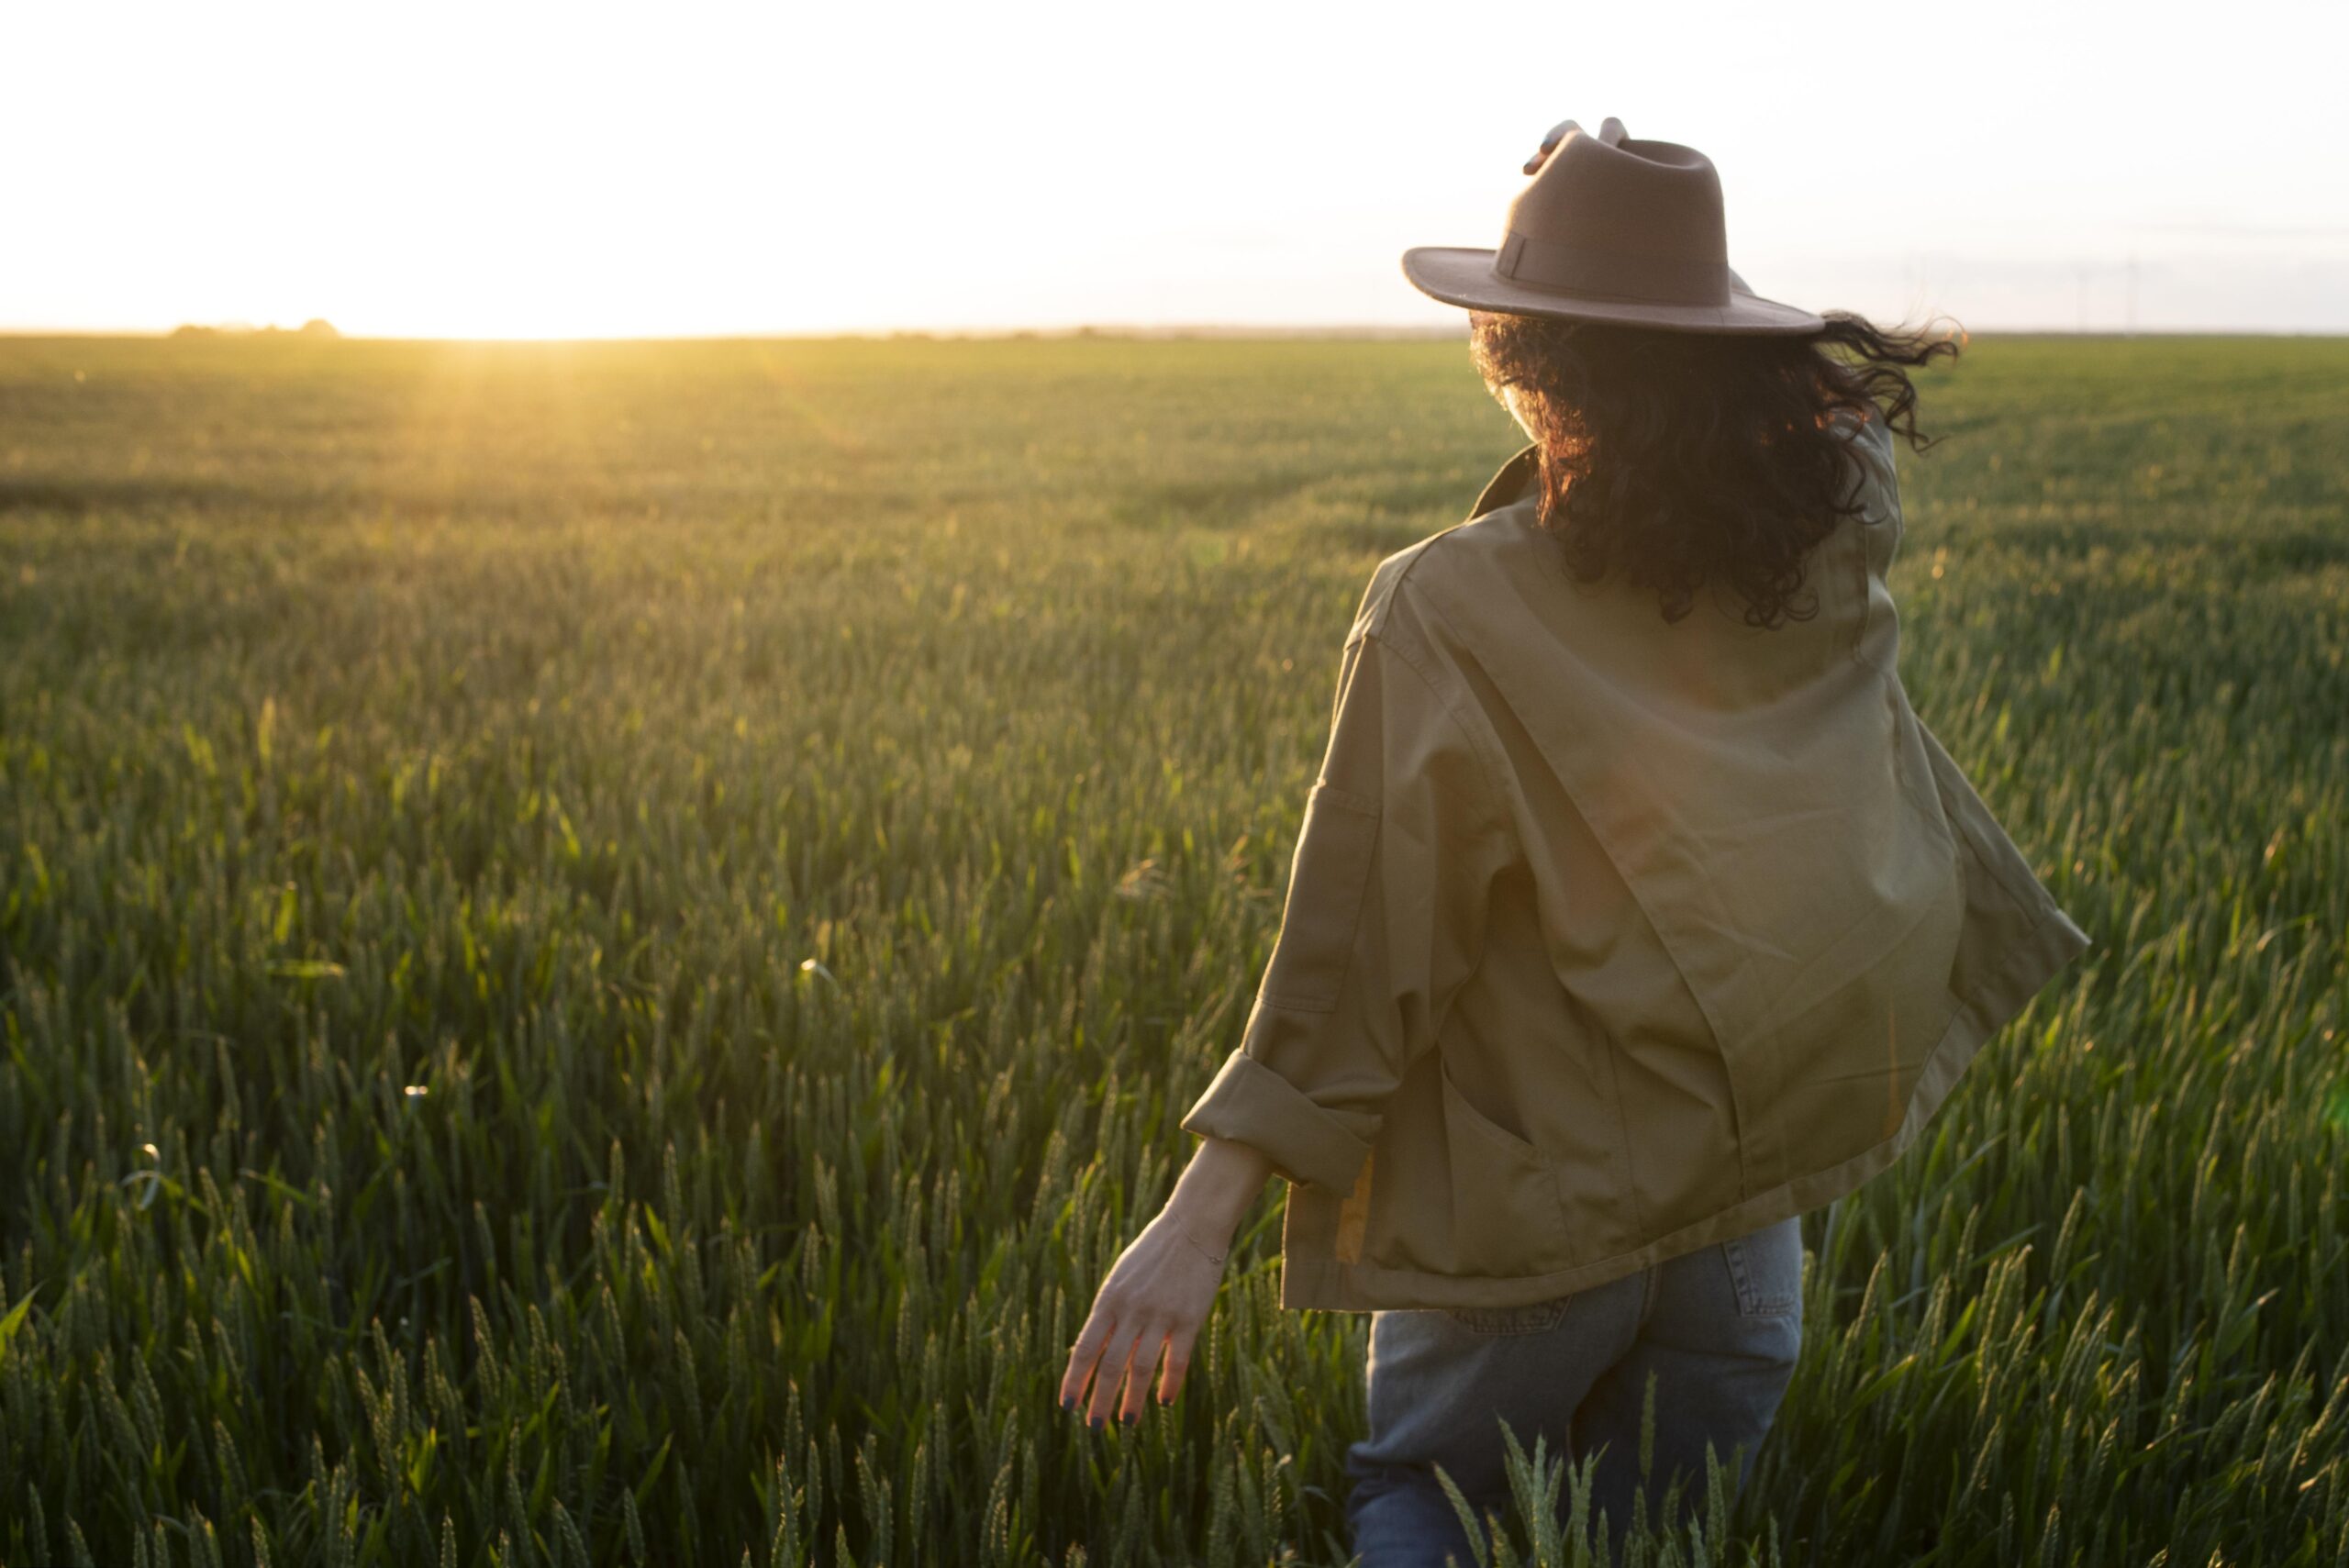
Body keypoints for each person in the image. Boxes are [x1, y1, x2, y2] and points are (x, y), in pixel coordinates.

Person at [1057, 117, 2091, 1564]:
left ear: (1513, 355)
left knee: (1429, 1496)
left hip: (1531, 1224)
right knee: (1649, 1539)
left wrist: (1199, 1217)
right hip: (1750, 1219)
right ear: (1722, 344)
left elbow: (1355, 950)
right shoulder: (1836, 520)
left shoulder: (1448, 608)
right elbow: (1829, 433)